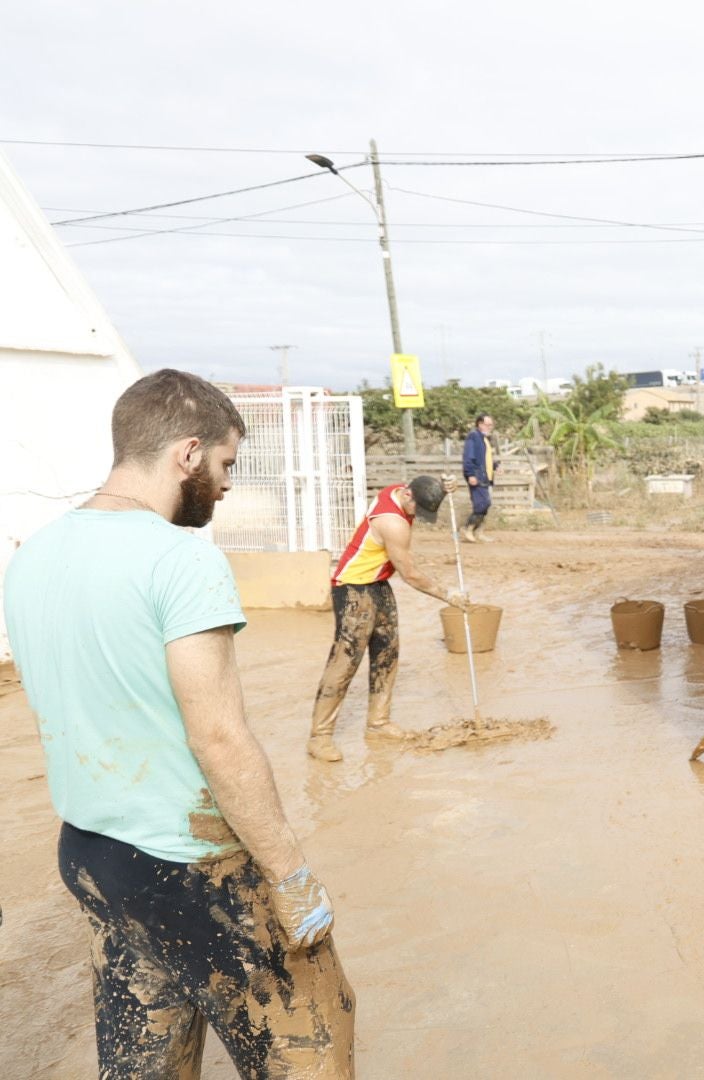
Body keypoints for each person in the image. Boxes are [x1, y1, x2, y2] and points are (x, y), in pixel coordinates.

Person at [2, 369, 354, 1077]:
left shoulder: (32, 554)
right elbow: (219, 736)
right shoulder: (180, 558)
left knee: (144, 1062)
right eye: (225, 464)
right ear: (187, 453)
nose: (225, 486)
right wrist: (290, 875)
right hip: (193, 865)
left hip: (93, 854)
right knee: (317, 1037)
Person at [307, 475, 469, 763]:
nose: (417, 515)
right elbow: (410, 574)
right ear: (407, 496)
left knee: (387, 653)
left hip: (378, 583)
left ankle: (378, 723)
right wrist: (449, 595)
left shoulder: (400, 491)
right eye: (417, 508)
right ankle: (320, 736)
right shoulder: (392, 523)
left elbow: (423, 486)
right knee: (345, 660)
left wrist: (444, 488)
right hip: (352, 586)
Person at [461, 411, 499, 543]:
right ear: (480, 424)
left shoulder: (484, 439)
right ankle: (467, 529)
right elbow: (468, 457)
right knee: (482, 504)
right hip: (477, 476)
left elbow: (484, 459)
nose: (490, 427)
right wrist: (470, 474)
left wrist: (495, 466)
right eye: (487, 424)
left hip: (485, 477)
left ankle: (478, 532)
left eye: (491, 425)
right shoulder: (474, 437)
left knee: (485, 504)